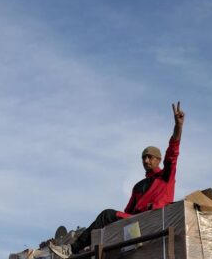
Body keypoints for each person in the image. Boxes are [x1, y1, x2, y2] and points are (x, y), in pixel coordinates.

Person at [74, 103, 185, 250]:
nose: (146, 160)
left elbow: (173, 153)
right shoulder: (138, 186)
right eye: (144, 158)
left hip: (153, 221)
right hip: (136, 225)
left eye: (150, 157)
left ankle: (73, 249)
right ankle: (88, 247)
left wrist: (178, 127)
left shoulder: (165, 177)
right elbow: (127, 213)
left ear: (158, 160)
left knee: (106, 215)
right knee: (109, 224)